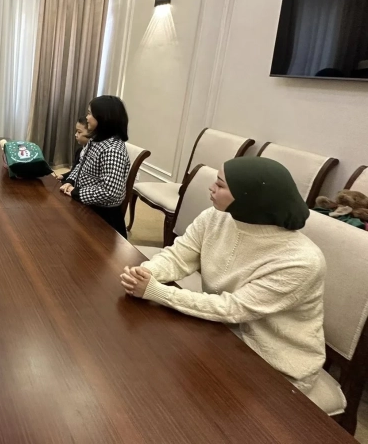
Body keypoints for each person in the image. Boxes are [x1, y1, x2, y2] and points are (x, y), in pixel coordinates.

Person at [120, 157, 326, 397]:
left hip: (275, 363)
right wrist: (148, 272)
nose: (211, 188)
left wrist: (157, 291)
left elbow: (233, 309)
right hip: (221, 333)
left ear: (250, 197)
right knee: (146, 367)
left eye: (220, 184)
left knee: (174, 392)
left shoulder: (300, 261)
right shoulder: (216, 217)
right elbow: (179, 256)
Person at [59, 96, 131, 236]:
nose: (86, 117)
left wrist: (77, 192)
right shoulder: (96, 141)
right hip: (87, 205)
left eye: (90, 113)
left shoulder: (112, 150)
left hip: (104, 217)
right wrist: (70, 180)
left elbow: (110, 192)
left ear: (103, 118)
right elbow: (81, 164)